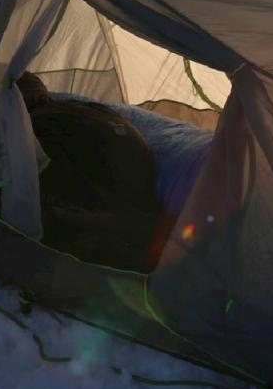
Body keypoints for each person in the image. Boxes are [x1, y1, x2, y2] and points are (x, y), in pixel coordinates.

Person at [11, 73, 165, 270]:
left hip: (113, 201)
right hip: (141, 188)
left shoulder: (34, 125)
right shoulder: (87, 108)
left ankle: (113, 235)